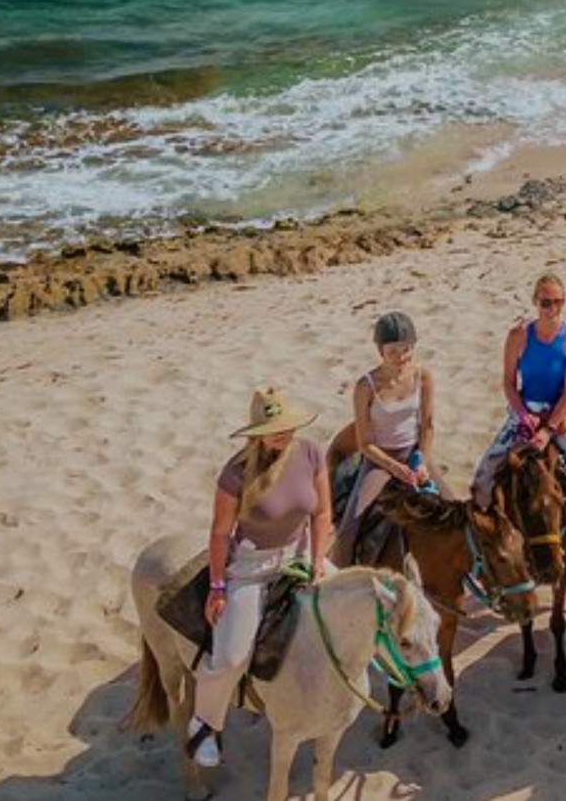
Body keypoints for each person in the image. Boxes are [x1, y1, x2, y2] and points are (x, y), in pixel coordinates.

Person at [187, 387, 332, 768]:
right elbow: (220, 533)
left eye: (287, 425)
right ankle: (204, 723)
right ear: (257, 433)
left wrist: (318, 560)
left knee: (355, 607)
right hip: (251, 566)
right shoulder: (235, 474)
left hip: (300, 556)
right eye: (273, 428)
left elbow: (321, 514)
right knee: (233, 657)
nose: (283, 433)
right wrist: (218, 587)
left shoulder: (312, 453)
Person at [471, 273, 566, 571]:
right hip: (526, 410)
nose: (552, 308)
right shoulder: (518, 336)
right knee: (483, 478)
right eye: (546, 302)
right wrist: (524, 415)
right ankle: (487, 546)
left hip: (565, 413)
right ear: (535, 302)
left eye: (558, 302)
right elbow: (509, 384)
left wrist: (548, 429)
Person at [330, 311, 440, 564]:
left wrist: (421, 461)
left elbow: (428, 425)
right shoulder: (365, 386)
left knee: (454, 509)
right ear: (380, 351)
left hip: (414, 453)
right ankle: (341, 579)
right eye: (393, 351)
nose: (400, 357)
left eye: (406, 350)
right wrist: (397, 469)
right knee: (349, 528)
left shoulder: (423, 376)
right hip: (379, 459)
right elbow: (364, 444)